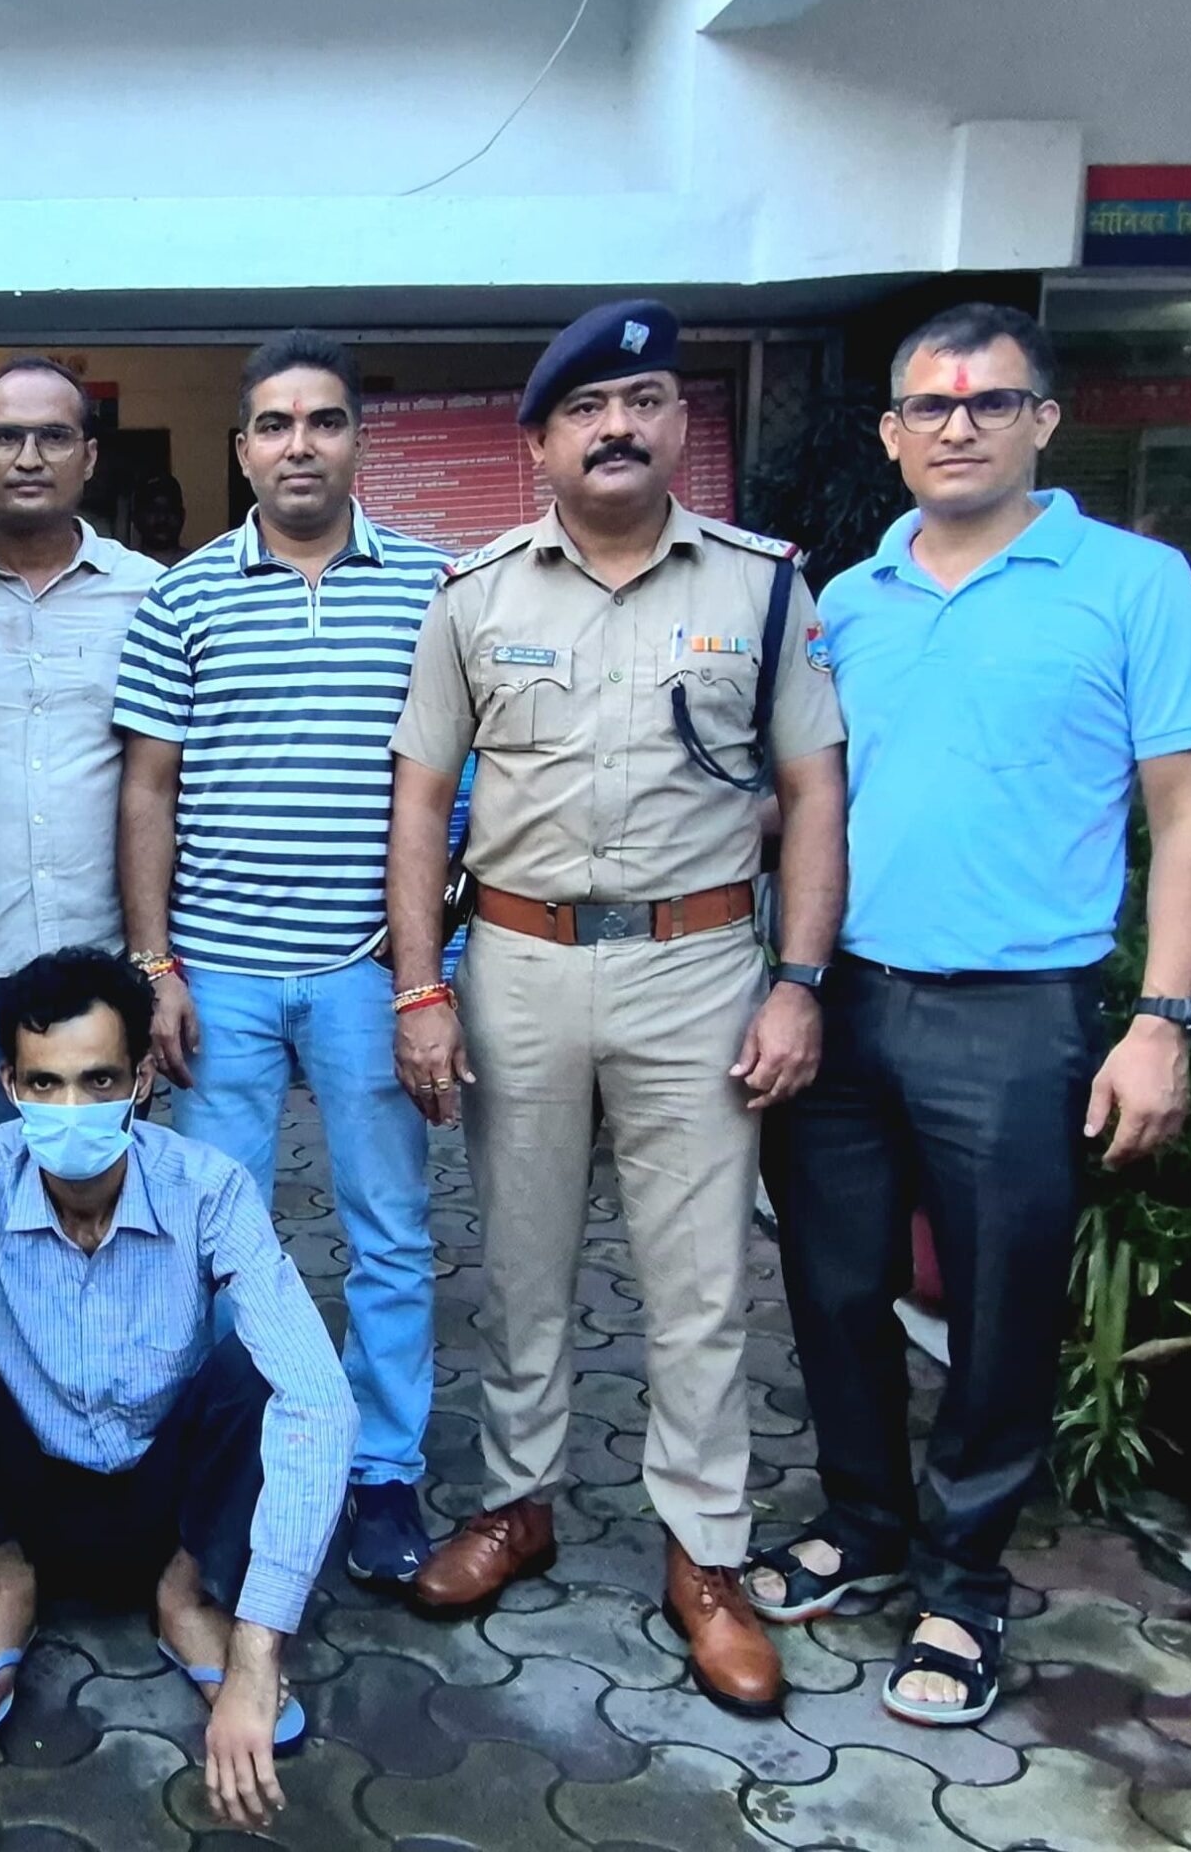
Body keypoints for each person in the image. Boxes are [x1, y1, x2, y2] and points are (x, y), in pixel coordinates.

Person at [751, 302, 1191, 1728]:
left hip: (1018, 1014)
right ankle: (863, 1523)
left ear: (1044, 421)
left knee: (1000, 1308)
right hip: (840, 999)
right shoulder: (844, 601)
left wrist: (1162, 1020)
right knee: (834, 1289)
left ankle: (963, 1587)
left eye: (990, 401)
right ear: (891, 434)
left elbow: (1187, 816)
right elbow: (797, 800)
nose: (957, 425)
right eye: (931, 405)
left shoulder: (1133, 584)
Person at [387, 299, 848, 1720]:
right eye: (585, 409)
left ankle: (704, 1554)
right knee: (520, 1265)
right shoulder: (474, 597)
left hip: (697, 971)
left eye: (643, 401)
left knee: (699, 1283)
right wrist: (420, 986)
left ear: (679, 426)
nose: (616, 427)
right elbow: (418, 797)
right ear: (538, 444)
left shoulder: (762, 588)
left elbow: (815, 792)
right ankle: (517, 1503)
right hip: (518, 965)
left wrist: (798, 983)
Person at [0, 947, 355, 1832]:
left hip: (162, 1493)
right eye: (46, 1083)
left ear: (142, 1079)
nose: (72, 1110)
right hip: (23, 1488)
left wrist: (261, 1650)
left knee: (267, 1366)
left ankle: (191, 1595)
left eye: (99, 1080)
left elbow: (319, 1402)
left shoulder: (207, 1188)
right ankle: (1, 1582)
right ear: (10, 1085)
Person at [114, 329, 446, 1588]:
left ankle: (382, 1471)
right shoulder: (183, 596)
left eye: (323, 420)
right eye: (273, 424)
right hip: (221, 976)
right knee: (215, 1235)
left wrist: (427, 975)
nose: (298, 444)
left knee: (390, 1232)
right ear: (242, 448)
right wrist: (155, 966)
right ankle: (234, 1456)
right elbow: (148, 792)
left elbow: (454, 782)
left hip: (370, 973)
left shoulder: (431, 589)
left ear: (357, 439)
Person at [0, 356, 161, 1133]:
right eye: (6, 437)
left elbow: (166, 787)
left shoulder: (151, 595)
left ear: (89, 456)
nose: (29, 458)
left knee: (112, 1185)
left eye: (53, 437)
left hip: (114, 965)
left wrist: (159, 965)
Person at [130, 471, 193, 568]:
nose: (162, 518)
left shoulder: (196, 566)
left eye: (170, 510)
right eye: (153, 510)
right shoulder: (123, 569)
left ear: (182, 515)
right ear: (136, 517)